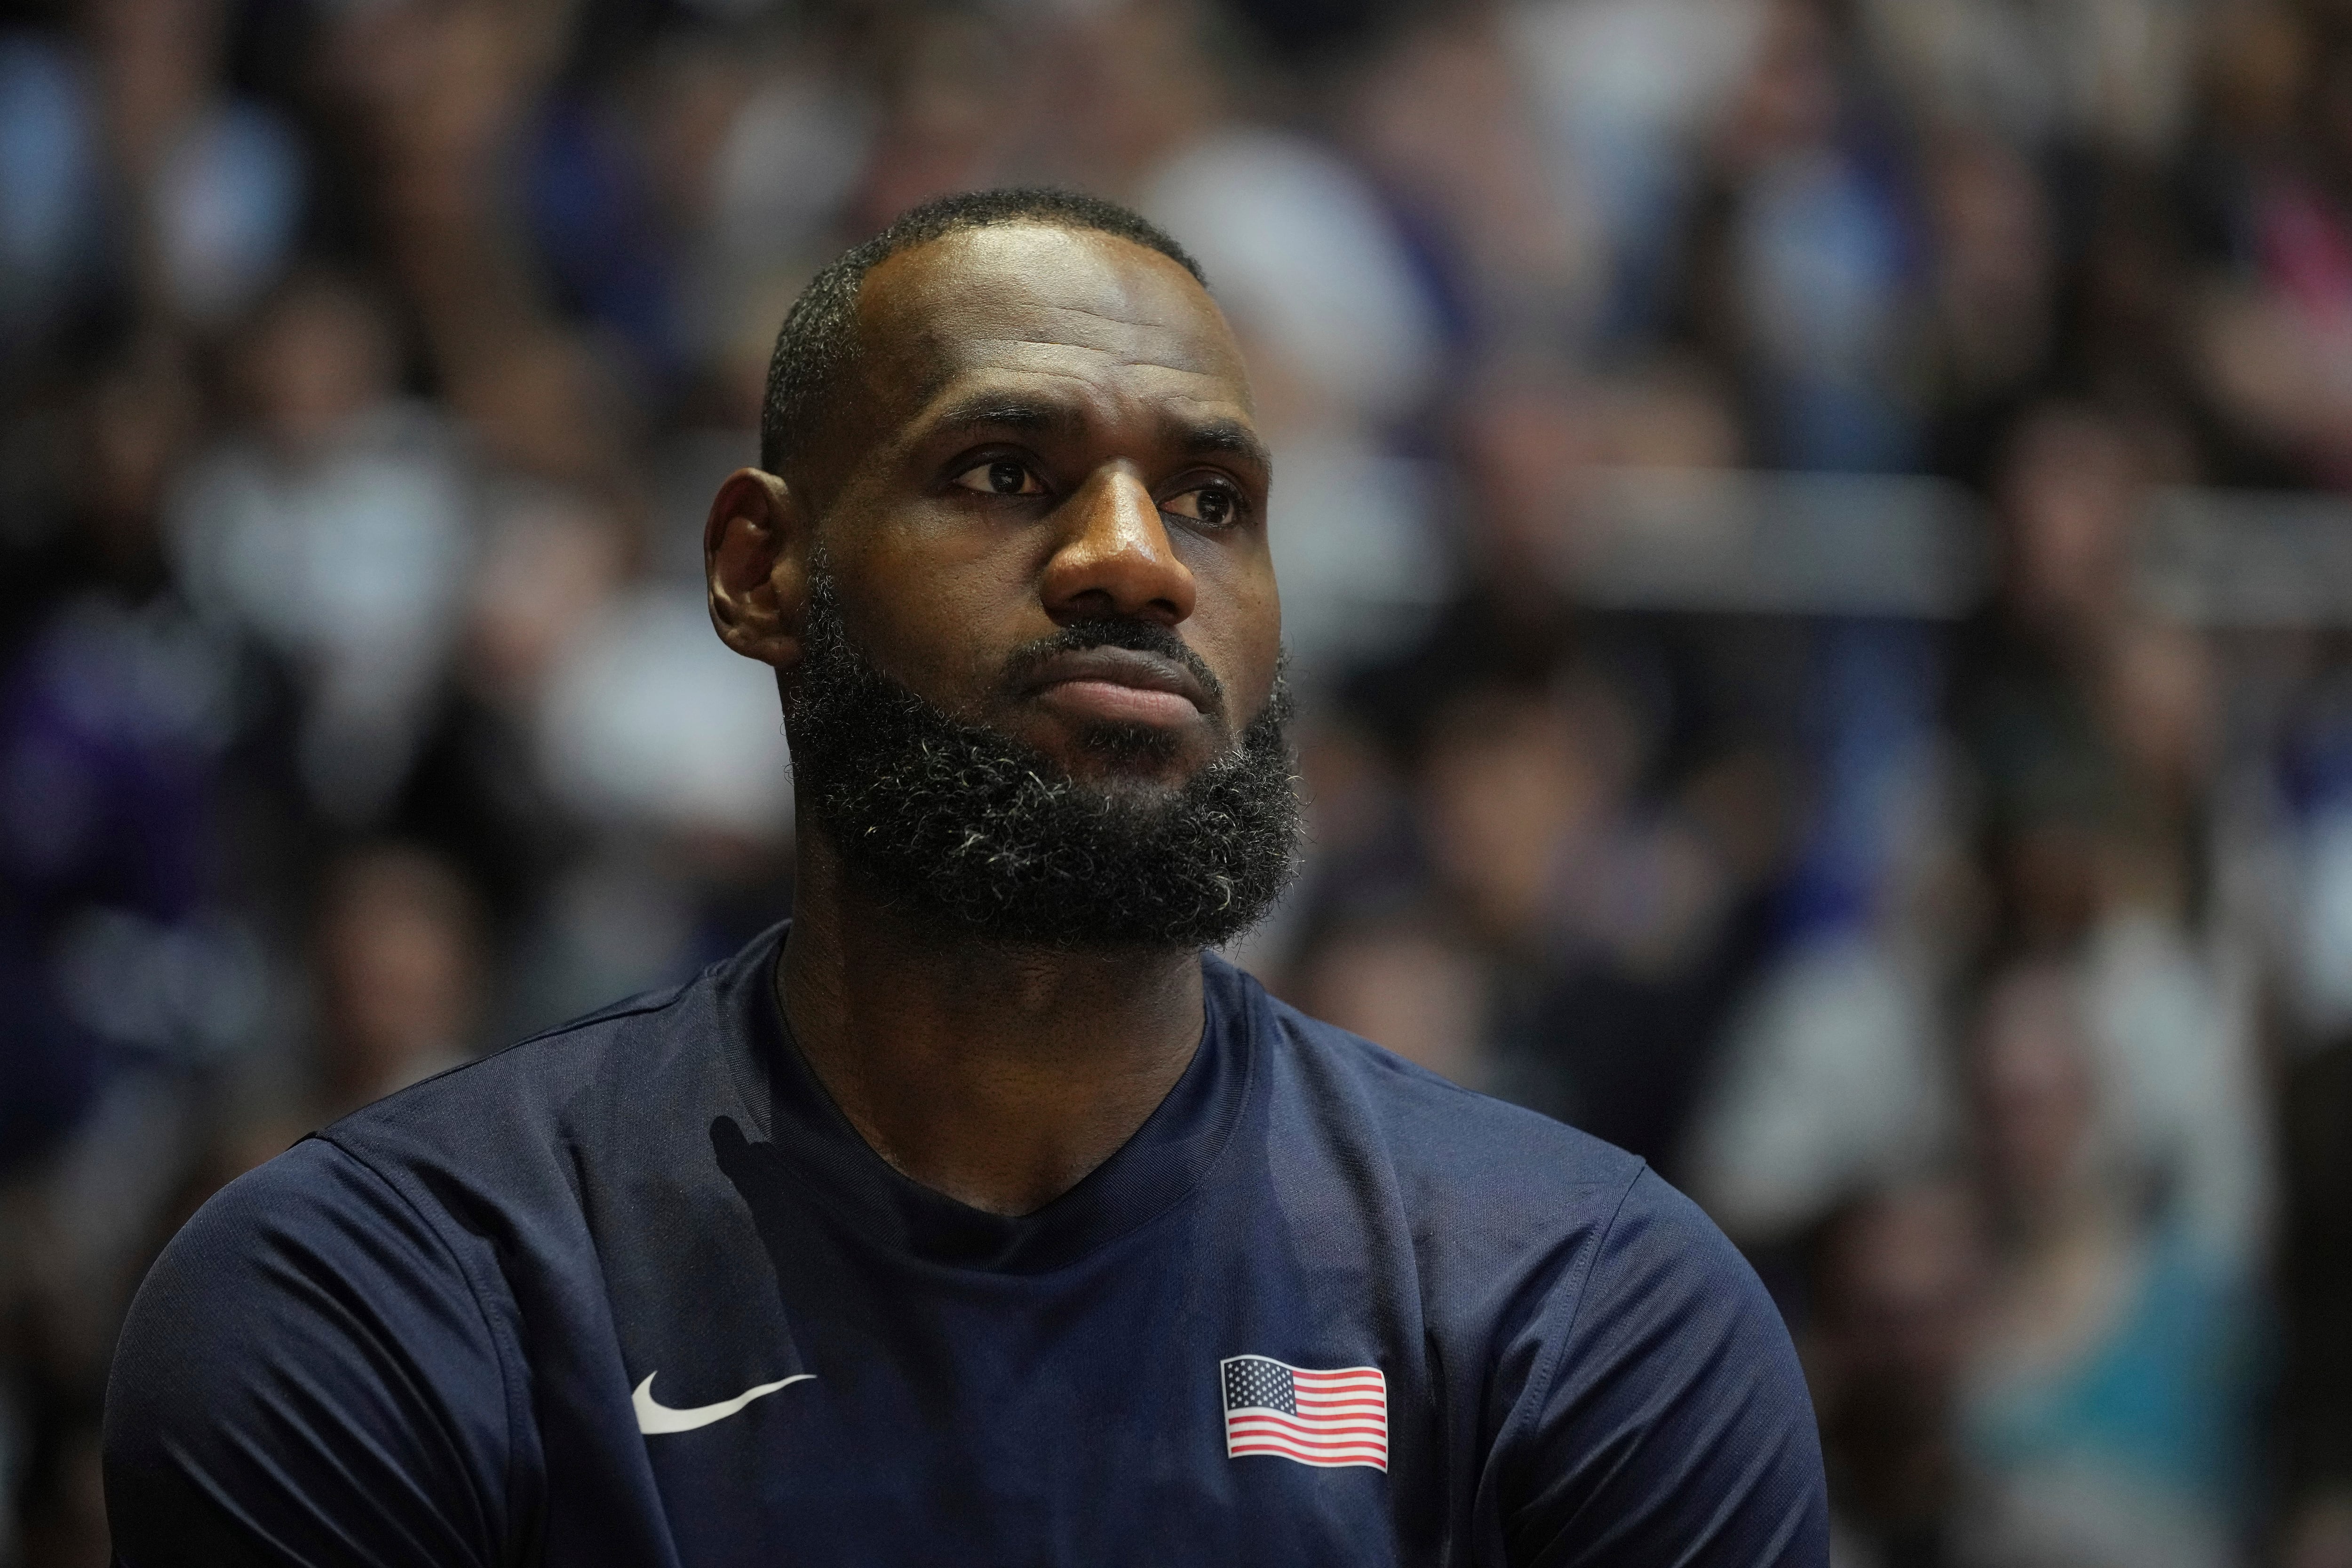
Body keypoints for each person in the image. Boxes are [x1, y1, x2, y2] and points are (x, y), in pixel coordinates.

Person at [101, 189, 1826, 1566]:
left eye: (1214, 498)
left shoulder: (1584, 1307)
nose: (1138, 564)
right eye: (1006, 473)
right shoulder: (388, 1295)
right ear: (762, 571)